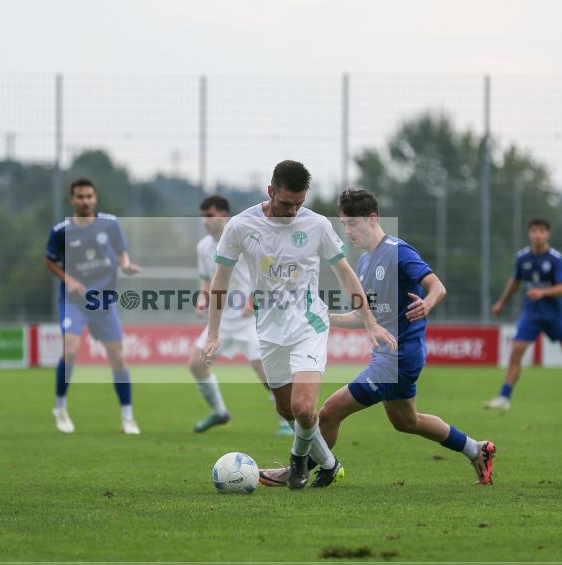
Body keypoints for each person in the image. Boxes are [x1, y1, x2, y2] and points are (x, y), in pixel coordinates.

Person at [259, 188, 497, 487]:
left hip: (397, 358)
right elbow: (363, 317)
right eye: (344, 224)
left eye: (352, 224)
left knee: (330, 412)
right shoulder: (364, 262)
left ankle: (299, 470)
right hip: (392, 358)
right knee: (406, 421)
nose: (347, 231)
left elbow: (436, 285)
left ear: (372, 219)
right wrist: (323, 317)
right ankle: (476, 449)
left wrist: (427, 303)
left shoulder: (398, 251)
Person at [201, 161, 395, 490]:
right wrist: (214, 333)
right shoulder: (240, 226)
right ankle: (330, 465)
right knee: (286, 409)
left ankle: (297, 464)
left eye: (299, 203)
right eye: (286, 203)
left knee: (303, 408)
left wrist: (370, 322)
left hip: (310, 325)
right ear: (270, 191)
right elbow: (220, 280)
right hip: (269, 330)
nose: (293, 210)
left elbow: (345, 274)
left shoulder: (317, 226)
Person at [189, 195, 294, 435]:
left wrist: (254, 299)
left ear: (224, 215)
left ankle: (285, 420)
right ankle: (219, 412)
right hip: (221, 320)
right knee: (196, 364)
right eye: (203, 216)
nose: (205, 221)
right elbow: (207, 279)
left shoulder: (245, 238)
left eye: (210, 215)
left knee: (265, 370)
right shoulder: (203, 247)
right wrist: (203, 298)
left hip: (249, 318)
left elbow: (267, 272)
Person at [44, 177, 142, 434]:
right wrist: (70, 280)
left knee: (118, 357)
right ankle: (60, 407)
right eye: (80, 197)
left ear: (95, 198)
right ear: (72, 200)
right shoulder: (61, 231)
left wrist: (125, 264)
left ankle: (127, 417)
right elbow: (49, 260)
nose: (85, 201)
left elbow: (122, 250)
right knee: (72, 349)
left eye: (89, 196)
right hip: (74, 301)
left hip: (103, 300)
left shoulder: (109, 224)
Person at [486, 217, 562, 411]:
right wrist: (501, 302)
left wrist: (542, 292)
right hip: (531, 315)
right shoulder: (522, 257)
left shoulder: (556, 259)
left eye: (541, 231)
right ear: (529, 234)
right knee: (516, 353)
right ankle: (504, 398)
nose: (537, 234)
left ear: (548, 234)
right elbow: (515, 281)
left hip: (555, 316)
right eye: (534, 231)